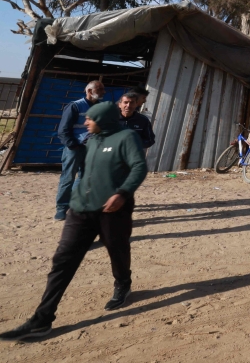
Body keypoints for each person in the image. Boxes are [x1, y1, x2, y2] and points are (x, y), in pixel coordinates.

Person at [1, 102, 146, 341]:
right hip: (80, 210)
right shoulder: (92, 140)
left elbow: (139, 167)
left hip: (112, 210)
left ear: (104, 120)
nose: (86, 122)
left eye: (91, 119)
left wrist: (122, 193)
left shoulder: (126, 137)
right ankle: (42, 319)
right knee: (63, 260)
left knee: (117, 251)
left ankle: (123, 283)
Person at [54, 80, 105, 221]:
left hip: (92, 148)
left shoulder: (100, 107)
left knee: (84, 177)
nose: (103, 92)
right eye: (100, 89)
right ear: (89, 91)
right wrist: (72, 145)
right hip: (75, 148)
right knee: (68, 178)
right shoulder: (75, 106)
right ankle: (61, 208)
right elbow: (63, 130)